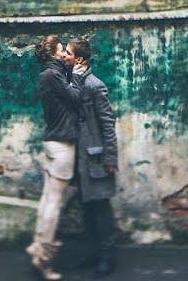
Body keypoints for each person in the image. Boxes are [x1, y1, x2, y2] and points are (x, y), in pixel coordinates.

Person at [26, 35, 82, 280]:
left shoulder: (47, 73)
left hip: (53, 141)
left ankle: (38, 246)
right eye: (60, 50)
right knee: (54, 203)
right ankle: (43, 259)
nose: (63, 54)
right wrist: (78, 75)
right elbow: (75, 98)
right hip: (61, 145)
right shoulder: (53, 75)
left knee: (48, 198)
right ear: (51, 54)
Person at [68, 37, 119, 277]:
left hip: (96, 158)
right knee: (87, 209)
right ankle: (92, 253)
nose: (64, 56)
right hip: (78, 159)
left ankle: (106, 257)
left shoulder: (95, 85)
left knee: (101, 208)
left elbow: (108, 123)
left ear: (79, 59)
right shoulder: (73, 82)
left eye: (67, 52)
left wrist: (111, 158)